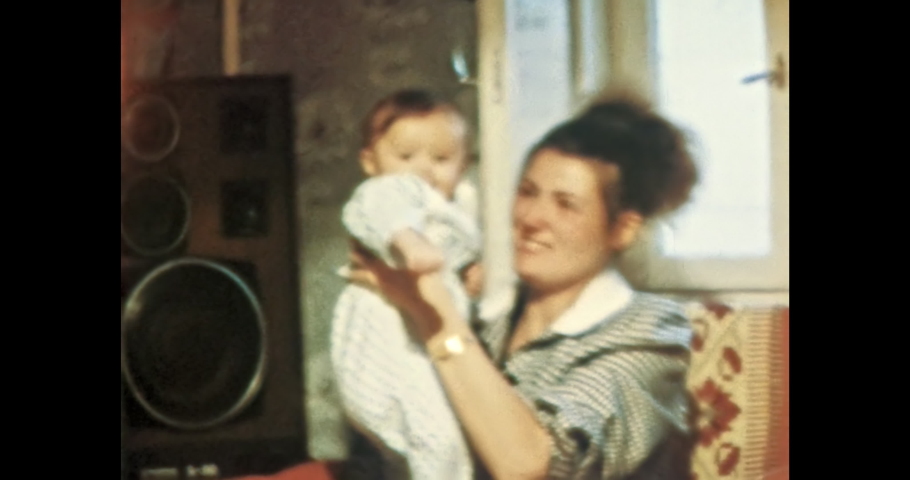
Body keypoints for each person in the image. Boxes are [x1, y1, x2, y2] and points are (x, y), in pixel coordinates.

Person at [230, 92, 699, 480]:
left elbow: (527, 464)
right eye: (528, 192)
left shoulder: (651, 334)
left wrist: (430, 308)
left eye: (566, 204)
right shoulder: (495, 321)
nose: (533, 218)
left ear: (623, 228)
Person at [330, 89, 484, 480]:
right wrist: (407, 241)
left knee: (437, 442)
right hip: (385, 334)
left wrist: (469, 273)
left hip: (423, 341)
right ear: (370, 161)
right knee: (438, 439)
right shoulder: (386, 191)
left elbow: (457, 248)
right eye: (405, 156)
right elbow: (388, 211)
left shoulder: (452, 208)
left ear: (463, 164)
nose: (422, 170)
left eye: (441, 159)